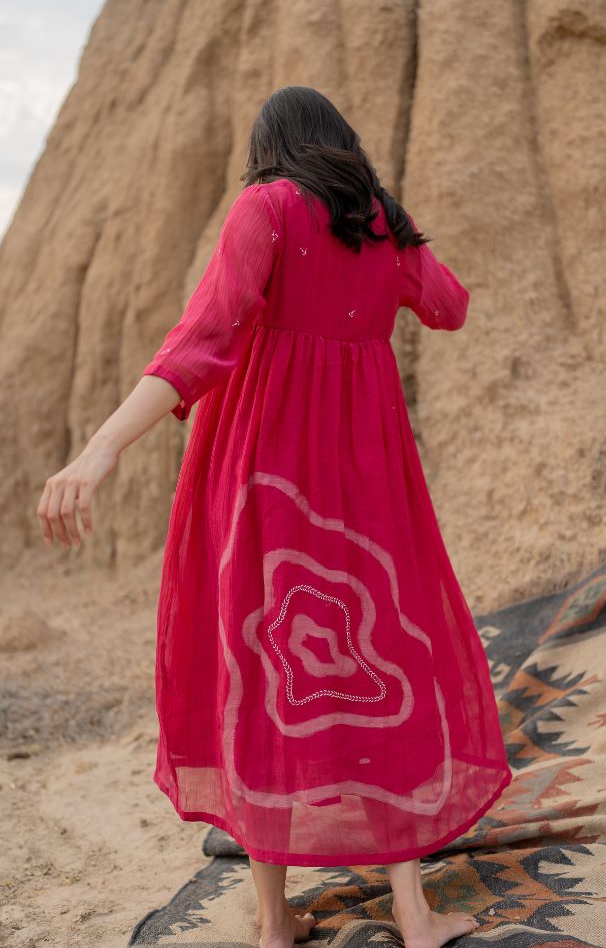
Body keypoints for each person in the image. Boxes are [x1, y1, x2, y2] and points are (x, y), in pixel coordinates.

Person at [36, 86, 512, 948]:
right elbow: (450, 306)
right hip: (369, 479)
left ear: (273, 148)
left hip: (265, 472)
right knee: (387, 651)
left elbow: (203, 338)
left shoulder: (264, 208)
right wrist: (394, 223)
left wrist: (101, 446)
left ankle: (271, 920)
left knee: (258, 664)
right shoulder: (381, 229)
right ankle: (414, 912)